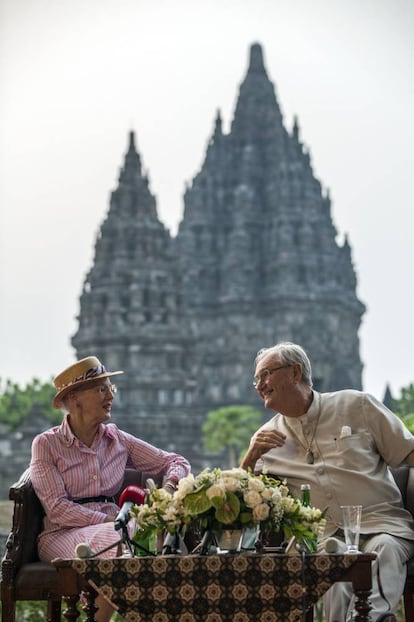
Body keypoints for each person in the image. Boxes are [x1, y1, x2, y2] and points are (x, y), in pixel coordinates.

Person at [240, 341, 414, 622]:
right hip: (323, 541)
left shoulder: (357, 405)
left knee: (385, 550)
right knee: (332, 566)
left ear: (295, 372)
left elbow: (408, 452)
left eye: (266, 375)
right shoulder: (264, 439)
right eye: (256, 379)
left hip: (382, 525)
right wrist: (249, 459)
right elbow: (244, 501)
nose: (260, 385)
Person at [30, 355, 191, 622]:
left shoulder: (117, 439)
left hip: (119, 529)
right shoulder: (47, 444)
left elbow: (176, 461)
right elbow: (57, 510)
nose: (110, 396)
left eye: (110, 389)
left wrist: (171, 486)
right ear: (74, 399)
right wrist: (111, 520)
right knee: (129, 535)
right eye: (100, 389)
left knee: (162, 536)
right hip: (62, 534)